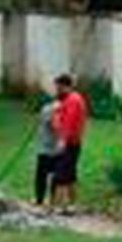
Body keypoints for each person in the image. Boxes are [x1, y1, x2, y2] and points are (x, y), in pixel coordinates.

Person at [51, 74, 88, 213]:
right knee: (70, 175)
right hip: (74, 142)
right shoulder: (73, 99)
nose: (56, 90)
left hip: (69, 143)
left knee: (60, 175)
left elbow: (68, 122)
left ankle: (59, 207)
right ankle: (71, 205)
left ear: (64, 85)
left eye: (58, 87)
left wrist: (62, 141)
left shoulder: (72, 100)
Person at [34, 96, 60, 207]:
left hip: (45, 147)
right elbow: (55, 125)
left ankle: (40, 199)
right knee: (54, 176)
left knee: (41, 175)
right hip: (52, 147)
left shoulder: (46, 108)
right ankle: (51, 200)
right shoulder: (55, 109)